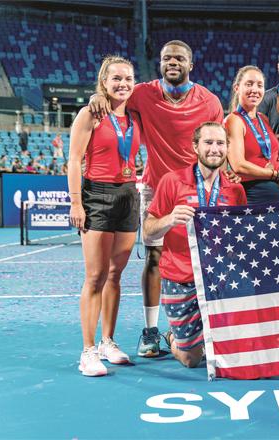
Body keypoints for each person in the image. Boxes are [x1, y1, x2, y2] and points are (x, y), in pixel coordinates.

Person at [89, 40, 225, 358]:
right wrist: (98, 96)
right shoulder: (142, 93)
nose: (172, 62)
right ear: (160, 64)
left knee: (205, 261)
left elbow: (218, 143)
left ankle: (201, 325)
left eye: (179, 58)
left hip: (200, 187)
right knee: (154, 259)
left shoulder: (210, 100)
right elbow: (114, 95)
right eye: (166, 58)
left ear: (191, 64)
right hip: (156, 188)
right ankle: (151, 332)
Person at [143, 122, 247, 367]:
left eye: (220, 143)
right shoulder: (172, 181)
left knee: (228, 350)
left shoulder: (235, 190)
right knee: (192, 359)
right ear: (195, 147)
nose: (214, 149)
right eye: (208, 143)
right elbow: (148, 234)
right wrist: (168, 220)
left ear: (227, 148)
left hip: (219, 281)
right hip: (180, 278)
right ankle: (173, 337)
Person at [68, 56, 141, 376]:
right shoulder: (91, 113)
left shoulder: (137, 115)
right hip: (96, 195)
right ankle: (87, 351)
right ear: (104, 81)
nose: (123, 84)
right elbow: (73, 160)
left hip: (128, 195)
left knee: (115, 275)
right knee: (96, 276)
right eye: (116, 79)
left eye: (128, 78)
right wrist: (75, 203)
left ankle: (108, 341)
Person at [225, 65, 279, 204]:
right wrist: (273, 174)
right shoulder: (234, 120)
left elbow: (262, 144)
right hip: (253, 194)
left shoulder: (262, 118)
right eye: (249, 84)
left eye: (259, 85)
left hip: (274, 191)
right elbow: (238, 165)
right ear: (237, 88)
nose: (255, 90)